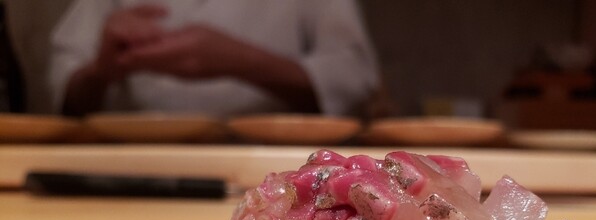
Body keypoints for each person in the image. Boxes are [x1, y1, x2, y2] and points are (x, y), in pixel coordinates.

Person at [49, 0, 380, 118]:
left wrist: (239, 61)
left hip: (271, 172)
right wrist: (100, 71)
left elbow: (356, 79)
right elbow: (64, 92)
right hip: (134, 164)